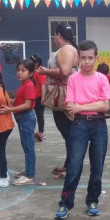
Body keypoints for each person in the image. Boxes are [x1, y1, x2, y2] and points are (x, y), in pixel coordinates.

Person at [54, 40, 110, 220]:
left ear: (96, 58)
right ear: (78, 58)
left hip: (99, 126)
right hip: (79, 125)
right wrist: (88, 106)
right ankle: (65, 204)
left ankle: (93, 200)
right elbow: (71, 106)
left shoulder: (101, 79)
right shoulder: (73, 79)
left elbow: (106, 107)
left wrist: (82, 106)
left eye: (90, 58)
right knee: (74, 166)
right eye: (83, 58)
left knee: (97, 167)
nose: (86, 62)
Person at [37, 24, 78, 179]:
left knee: (69, 134)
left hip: (63, 95)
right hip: (64, 95)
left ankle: (71, 167)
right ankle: (69, 164)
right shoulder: (70, 49)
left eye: (55, 35)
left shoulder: (66, 49)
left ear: (58, 34)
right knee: (68, 133)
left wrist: (45, 71)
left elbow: (65, 72)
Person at [0, 59, 36, 186]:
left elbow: (27, 105)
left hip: (26, 118)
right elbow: (22, 101)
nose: (19, 73)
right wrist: (12, 101)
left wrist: (10, 109)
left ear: (30, 73)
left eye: (23, 70)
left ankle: (30, 176)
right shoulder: (24, 84)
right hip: (23, 118)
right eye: (18, 70)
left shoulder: (29, 84)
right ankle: (28, 170)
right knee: (26, 146)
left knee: (29, 147)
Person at [29, 54, 46, 142]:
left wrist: (43, 98)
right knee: (31, 116)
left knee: (39, 116)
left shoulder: (40, 72)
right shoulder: (31, 71)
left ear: (37, 63)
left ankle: (41, 132)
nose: (30, 62)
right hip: (31, 97)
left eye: (32, 61)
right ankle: (31, 132)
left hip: (38, 97)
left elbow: (43, 85)